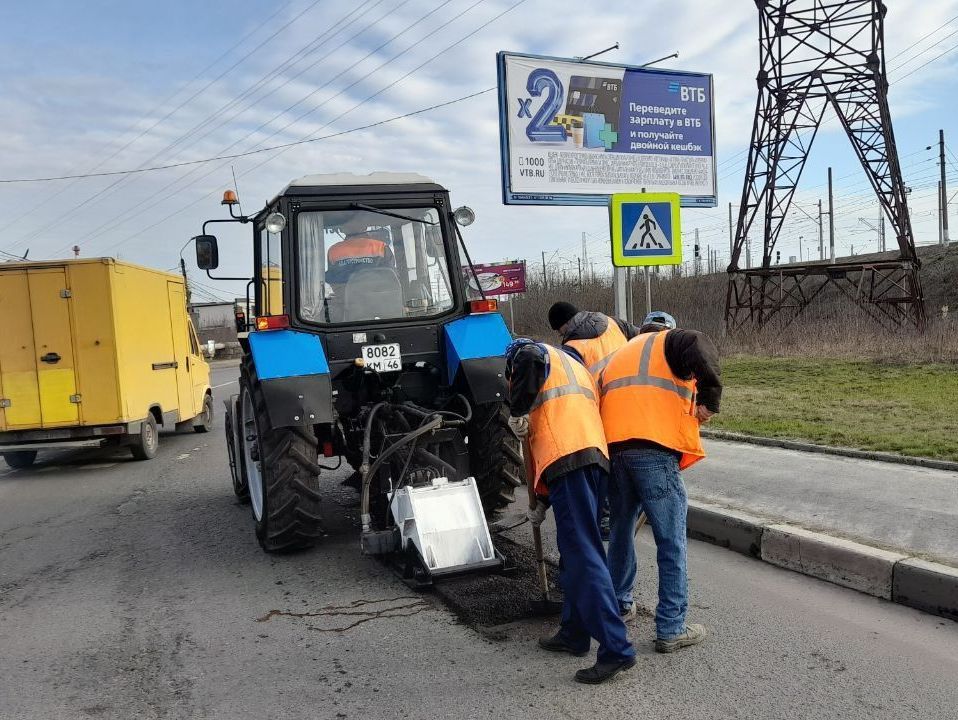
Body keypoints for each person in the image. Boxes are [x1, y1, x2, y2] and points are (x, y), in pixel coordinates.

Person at [505, 338, 636, 684]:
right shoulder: (573, 366)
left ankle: (616, 647)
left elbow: (529, 358)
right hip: (591, 459)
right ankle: (574, 633)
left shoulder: (529, 352)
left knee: (582, 556)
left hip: (569, 460)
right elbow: (558, 423)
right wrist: (543, 500)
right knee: (576, 552)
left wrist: (517, 409)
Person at [599, 311, 722, 653]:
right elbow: (696, 342)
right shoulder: (671, 341)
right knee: (671, 540)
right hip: (654, 453)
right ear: (667, 329)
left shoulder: (618, 355)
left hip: (616, 452)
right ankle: (671, 627)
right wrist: (710, 400)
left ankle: (620, 605)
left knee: (621, 531)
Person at [548, 301, 641, 546]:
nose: (561, 335)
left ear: (564, 325)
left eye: (559, 330)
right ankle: (636, 505)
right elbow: (642, 342)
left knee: (606, 459)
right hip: (634, 396)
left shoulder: (572, 348)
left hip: (603, 407)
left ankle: (607, 518)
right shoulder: (614, 323)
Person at [325, 215, 396, 285]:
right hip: (378, 295)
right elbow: (391, 280)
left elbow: (334, 283)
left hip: (346, 296)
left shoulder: (334, 251)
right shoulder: (381, 247)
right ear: (365, 226)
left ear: (341, 229)